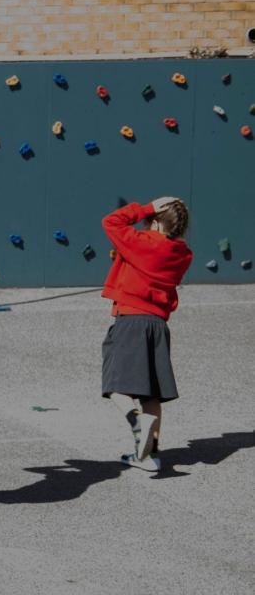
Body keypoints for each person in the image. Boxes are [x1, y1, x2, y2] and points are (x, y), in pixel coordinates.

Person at [100, 197, 193, 472]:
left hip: (131, 320)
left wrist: (147, 207)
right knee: (151, 393)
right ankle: (149, 455)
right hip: (158, 325)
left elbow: (111, 221)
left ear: (154, 223)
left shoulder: (141, 242)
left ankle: (137, 422)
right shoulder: (183, 254)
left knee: (115, 387)